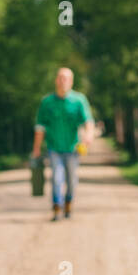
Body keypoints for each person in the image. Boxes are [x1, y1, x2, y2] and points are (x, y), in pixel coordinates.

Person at [32, 67, 94, 221]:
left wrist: (88, 136)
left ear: (71, 81)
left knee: (72, 180)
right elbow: (39, 127)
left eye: (66, 78)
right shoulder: (47, 102)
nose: (63, 81)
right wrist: (36, 149)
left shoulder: (79, 100)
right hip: (54, 148)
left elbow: (88, 122)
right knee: (56, 178)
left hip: (73, 149)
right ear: (56, 80)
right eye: (60, 77)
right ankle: (56, 207)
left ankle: (68, 202)